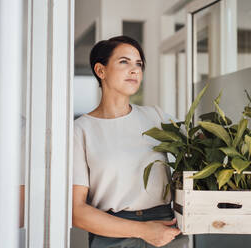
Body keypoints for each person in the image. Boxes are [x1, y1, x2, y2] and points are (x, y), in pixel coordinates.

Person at [72, 36, 189, 248]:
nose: (135, 70)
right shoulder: (80, 131)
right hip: (113, 235)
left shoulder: (156, 116)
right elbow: (76, 211)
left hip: (166, 229)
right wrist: (144, 231)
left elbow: (199, 151)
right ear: (101, 71)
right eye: (124, 62)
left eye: (139, 64)